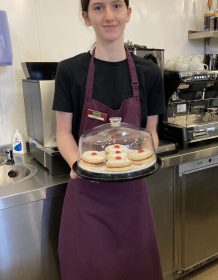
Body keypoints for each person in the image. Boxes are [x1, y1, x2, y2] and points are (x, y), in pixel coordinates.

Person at [52, 0, 165, 279]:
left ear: (129, 12)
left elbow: (151, 132)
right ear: (86, 17)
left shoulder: (149, 73)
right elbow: (63, 133)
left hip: (132, 197)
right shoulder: (68, 71)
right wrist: (79, 164)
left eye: (116, 5)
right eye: (98, 7)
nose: (109, 16)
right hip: (87, 196)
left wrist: (144, 158)